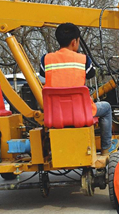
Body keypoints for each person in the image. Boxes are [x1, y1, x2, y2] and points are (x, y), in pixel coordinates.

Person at [40, 22, 114, 154]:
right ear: (74, 42)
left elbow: (42, 73)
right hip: (81, 114)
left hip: (55, 115)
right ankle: (106, 147)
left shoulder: (46, 59)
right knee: (107, 108)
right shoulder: (83, 60)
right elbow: (91, 73)